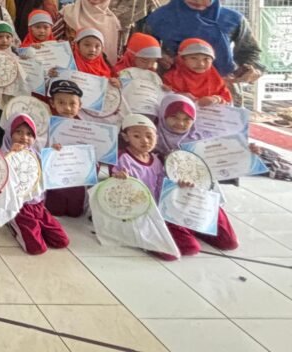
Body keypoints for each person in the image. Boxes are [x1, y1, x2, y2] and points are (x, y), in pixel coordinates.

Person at [113, 113, 238, 260]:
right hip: (145, 213)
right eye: (136, 136)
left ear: (156, 137)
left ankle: (192, 227)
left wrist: (181, 184)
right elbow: (116, 189)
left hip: (168, 208)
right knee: (189, 248)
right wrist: (119, 179)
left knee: (229, 242)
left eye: (149, 136)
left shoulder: (159, 159)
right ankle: (149, 237)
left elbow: (168, 186)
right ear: (126, 137)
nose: (145, 141)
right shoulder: (122, 159)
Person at [141, 0, 262, 81]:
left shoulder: (232, 19)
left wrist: (249, 69)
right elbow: (145, 45)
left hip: (221, 85)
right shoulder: (161, 17)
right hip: (173, 84)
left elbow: (250, 51)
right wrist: (160, 56)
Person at [2, 114, 69, 255]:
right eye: (18, 132)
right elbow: (1, 176)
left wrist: (54, 152)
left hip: (38, 205)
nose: (24, 137)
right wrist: (11, 154)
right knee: (36, 248)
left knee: (62, 241)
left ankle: (36, 226)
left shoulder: (35, 153)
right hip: (19, 207)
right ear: (9, 133)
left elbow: (47, 169)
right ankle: (12, 222)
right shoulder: (5, 154)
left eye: (29, 134)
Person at [44, 79, 88, 218]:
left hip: (76, 177)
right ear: (52, 103)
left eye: (72, 103)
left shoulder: (87, 128)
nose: (67, 108)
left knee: (76, 212)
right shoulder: (47, 125)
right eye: (61, 102)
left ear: (80, 105)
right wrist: (51, 150)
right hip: (55, 176)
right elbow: (40, 149)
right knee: (54, 209)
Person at [57, 0, 122, 65]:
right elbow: (51, 39)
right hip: (67, 67)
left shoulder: (113, 22)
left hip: (100, 70)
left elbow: (117, 53)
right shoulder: (67, 12)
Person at [162, 39, 233, 106]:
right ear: (182, 59)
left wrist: (216, 99)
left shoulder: (216, 79)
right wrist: (179, 95)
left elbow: (228, 100)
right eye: (193, 58)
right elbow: (162, 97)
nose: (201, 64)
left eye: (206, 59)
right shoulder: (171, 78)